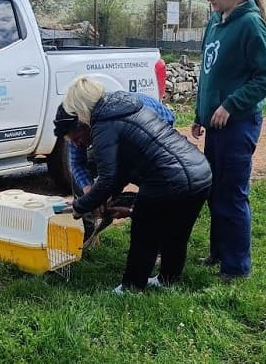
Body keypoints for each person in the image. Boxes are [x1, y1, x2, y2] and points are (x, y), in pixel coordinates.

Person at [61, 76, 212, 293]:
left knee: (144, 233)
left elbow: (107, 177)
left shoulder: (102, 125)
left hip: (167, 178)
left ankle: (131, 287)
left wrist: (80, 206)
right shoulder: (128, 106)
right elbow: (123, 168)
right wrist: (105, 195)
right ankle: (168, 280)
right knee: (176, 233)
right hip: (199, 171)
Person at [191, 0, 266, 282]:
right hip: (215, 124)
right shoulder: (216, 20)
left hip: (238, 125)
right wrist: (202, 113)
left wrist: (230, 105)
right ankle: (218, 252)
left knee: (232, 194)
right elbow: (208, 72)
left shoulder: (250, 25)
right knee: (214, 191)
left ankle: (236, 267)